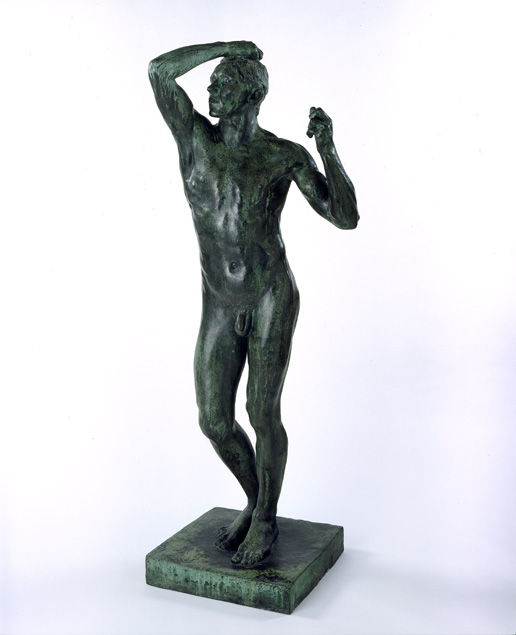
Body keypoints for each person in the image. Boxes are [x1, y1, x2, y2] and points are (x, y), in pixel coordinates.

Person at [148, 41, 359, 568]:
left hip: (270, 294)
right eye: (212, 81)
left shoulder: (284, 155)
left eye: (223, 81)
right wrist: (227, 47)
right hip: (219, 300)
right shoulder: (194, 139)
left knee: (261, 411)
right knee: (214, 420)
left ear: (250, 94)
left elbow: (345, 217)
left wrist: (327, 148)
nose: (210, 87)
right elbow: (159, 71)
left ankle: (265, 518)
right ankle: (256, 499)